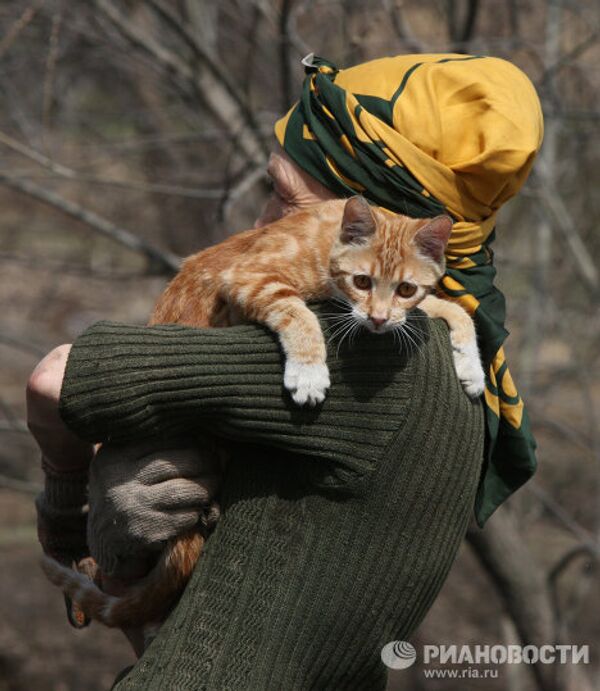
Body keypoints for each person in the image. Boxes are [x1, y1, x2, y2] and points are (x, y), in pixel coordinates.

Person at [27, 53, 543, 689]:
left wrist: (64, 508)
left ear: (364, 221)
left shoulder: (365, 352)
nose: (260, 222)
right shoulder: (456, 353)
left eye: (283, 197)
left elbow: (55, 379)